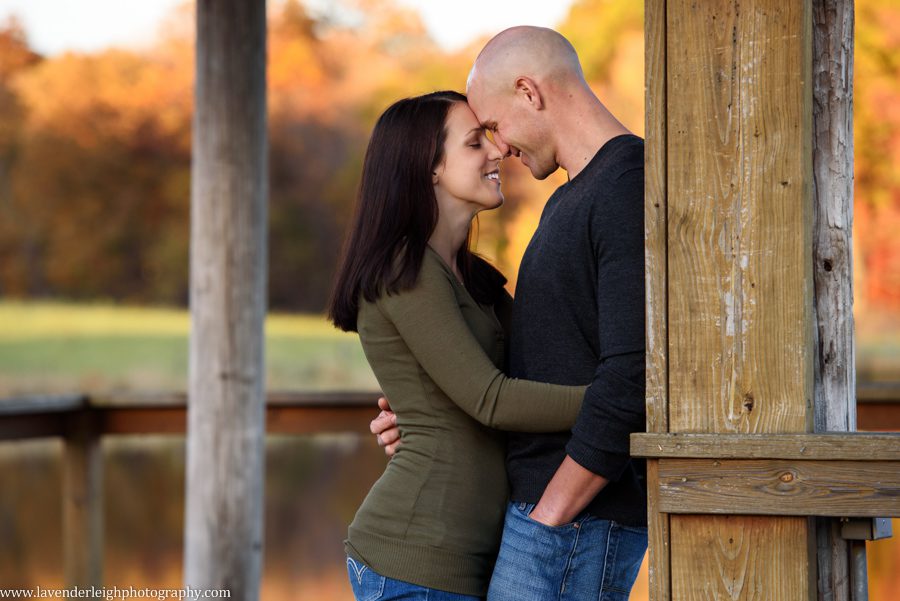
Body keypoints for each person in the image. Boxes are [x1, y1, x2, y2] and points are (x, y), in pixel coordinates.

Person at [370, 27, 648, 601]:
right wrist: (432, 414)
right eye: (481, 138)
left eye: (493, 127)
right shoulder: (572, 198)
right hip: (547, 518)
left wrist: (549, 517)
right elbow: (535, 366)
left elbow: (635, 377)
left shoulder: (624, 185)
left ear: (530, 91)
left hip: (571, 519)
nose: (499, 148)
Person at [328, 90, 592, 601]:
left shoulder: (474, 279)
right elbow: (492, 399)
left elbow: (533, 370)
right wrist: (622, 403)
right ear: (429, 166)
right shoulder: (406, 271)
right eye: (476, 143)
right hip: (414, 561)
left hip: (467, 560)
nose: (498, 152)